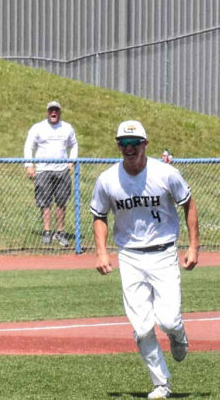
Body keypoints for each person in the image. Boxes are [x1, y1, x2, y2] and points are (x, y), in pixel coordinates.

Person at [90, 120, 198, 399]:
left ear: (145, 144)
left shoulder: (165, 173)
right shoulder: (108, 179)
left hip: (163, 253)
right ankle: (161, 383)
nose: (128, 148)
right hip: (130, 256)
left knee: (170, 320)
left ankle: (178, 335)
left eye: (134, 143)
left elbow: (188, 202)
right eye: (123, 143)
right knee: (141, 328)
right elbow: (99, 215)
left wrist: (194, 246)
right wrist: (102, 251)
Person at [24, 101, 79, 247]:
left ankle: (60, 232)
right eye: (51, 110)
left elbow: (74, 145)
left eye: (56, 110)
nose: (53, 113)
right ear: (47, 112)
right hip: (43, 170)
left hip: (61, 170)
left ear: (59, 112)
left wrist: (72, 162)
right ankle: (47, 231)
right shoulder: (38, 128)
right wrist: (29, 165)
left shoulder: (67, 128)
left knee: (61, 202)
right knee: (44, 202)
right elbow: (29, 146)